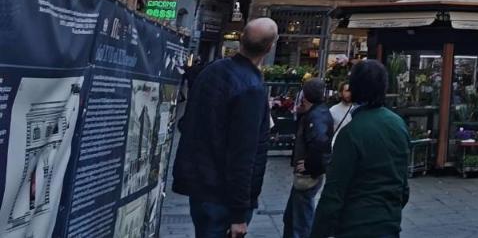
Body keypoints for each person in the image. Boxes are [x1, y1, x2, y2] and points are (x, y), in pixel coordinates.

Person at [172, 18, 278, 238]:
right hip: (224, 197)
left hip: (201, 186)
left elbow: (188, 122)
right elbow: (243, 155)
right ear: (270, 47)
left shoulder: (211, 71)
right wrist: (239, 214)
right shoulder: (252, 88)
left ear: (241, 39)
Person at [310, 60, 411, 238]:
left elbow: (334, 193)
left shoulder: (350, 133)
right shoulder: (398, 124)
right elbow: (403, 185)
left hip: (355, 225)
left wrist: (319, 232)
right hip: (389, 223)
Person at [283, 78, 334, 238]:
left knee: (301, 219)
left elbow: (320, 142)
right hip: (305, 173)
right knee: (292, 216)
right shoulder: (315, 113)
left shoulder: (316, 116)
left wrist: (310, 165)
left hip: (307, 175)